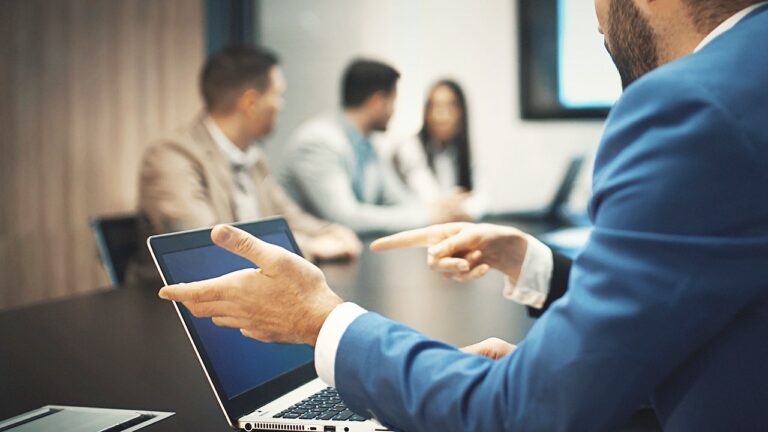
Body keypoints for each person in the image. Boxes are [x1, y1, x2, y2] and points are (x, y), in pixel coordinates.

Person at [158, 1, 768, 430]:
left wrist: (321, 321)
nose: (599, 22)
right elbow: (718, 303)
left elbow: (525, 411)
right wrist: (536, 267)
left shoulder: (691, 104)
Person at [126, 46, 361, 286]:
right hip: (175, 307)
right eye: (278, 95)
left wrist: (330, 232)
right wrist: (312, 247)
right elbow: (205, 247)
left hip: (245, 294)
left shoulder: (253, 157)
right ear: (251, 102)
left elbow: (287, 215)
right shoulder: (171, 156)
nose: (281, 105)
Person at [278, 59, 470, 234]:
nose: (394, 110)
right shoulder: (318, 142)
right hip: (307, 261)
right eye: (393, 101)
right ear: (378, 101)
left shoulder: (369, 144)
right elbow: (346, 218)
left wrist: (439, 209)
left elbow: (396, 199)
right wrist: (428, 216)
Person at [393, 79, 473, 201]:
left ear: (461, 113)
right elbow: (429, 197)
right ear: (426, 113)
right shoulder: (410, 148)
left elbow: (483, 197)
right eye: (435, 107)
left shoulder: (460, 151)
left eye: (450, 107)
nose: (442, 116)